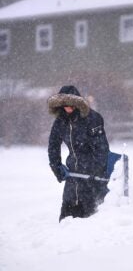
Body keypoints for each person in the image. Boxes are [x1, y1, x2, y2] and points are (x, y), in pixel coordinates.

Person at [47, 85, 110, 222]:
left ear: (77, 104)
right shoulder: (60, 122)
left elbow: (101, 149)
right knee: (65, 222)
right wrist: (56, 167)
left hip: (92, 179)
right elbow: (53, 145)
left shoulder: (92, 119)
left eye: (71, 104)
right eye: (64, 104)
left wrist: (95, 172)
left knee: (90, 222)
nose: (68, 108)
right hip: (72, 178)